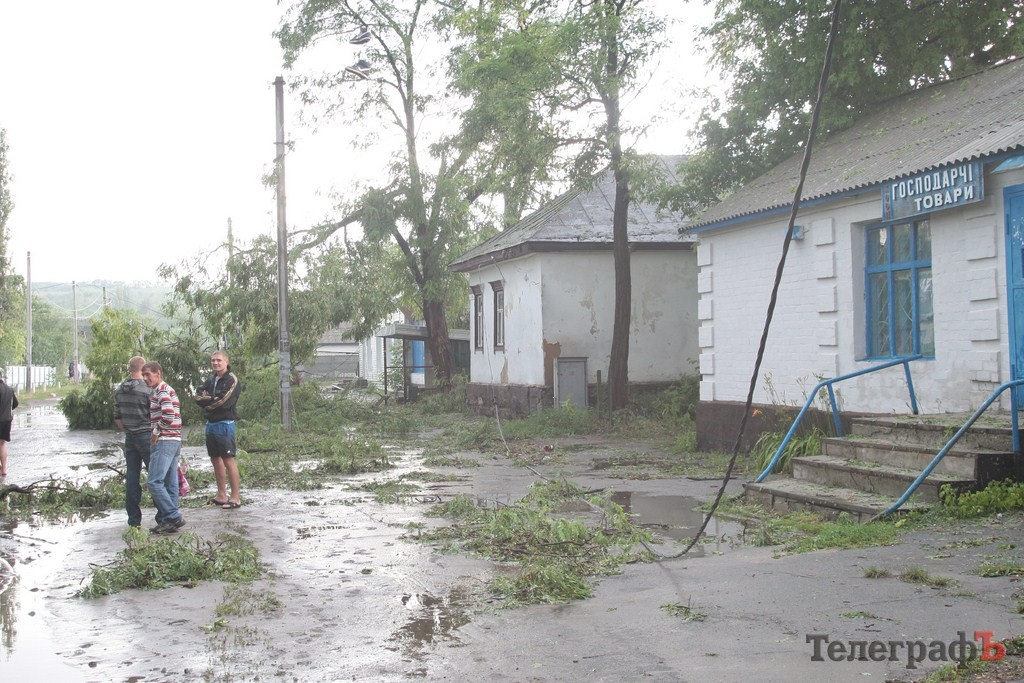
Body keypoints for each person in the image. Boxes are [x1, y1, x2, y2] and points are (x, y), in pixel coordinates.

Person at [141, 361, 185, 533]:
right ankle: (168, 522)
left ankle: (173, 516)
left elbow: (168, 415)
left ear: (158, 373)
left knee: (154, 482)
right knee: (170, 483)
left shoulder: (162, 391)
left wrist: (155, 432)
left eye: (148, 374)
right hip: (174, 440)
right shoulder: (164, 390)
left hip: (165, 440)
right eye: (143, 375)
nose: (145, 378)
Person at [195, 350, 242, 509]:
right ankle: (222, 495)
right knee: (215, 459)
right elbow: (197, 396)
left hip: (225, 424)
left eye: (219, 360)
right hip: (211, 424)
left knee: (228, 460)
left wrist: (208, 403)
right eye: (213, 360)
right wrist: (211, 399)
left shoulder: (232, 380)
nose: (215, 363)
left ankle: (235, 497)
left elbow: (224, 401)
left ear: (226, 362)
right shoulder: (210, 380)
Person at [113, 356, 152, 527]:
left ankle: (134, 520)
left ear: (129, 369)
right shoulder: (147, 389)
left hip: (130, 436)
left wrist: (128, 430)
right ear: (143, 369)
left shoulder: (120, 389)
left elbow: (117, 417)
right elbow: (154, 413)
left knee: (132, 477)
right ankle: (163, 516)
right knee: (155, 476)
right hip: (146, 435)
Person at [0, 370, 19, 477]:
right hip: (7, 420)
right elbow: (15, 403)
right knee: (2, 444)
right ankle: (4, 469)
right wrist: (7, 410)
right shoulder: (9, 389)